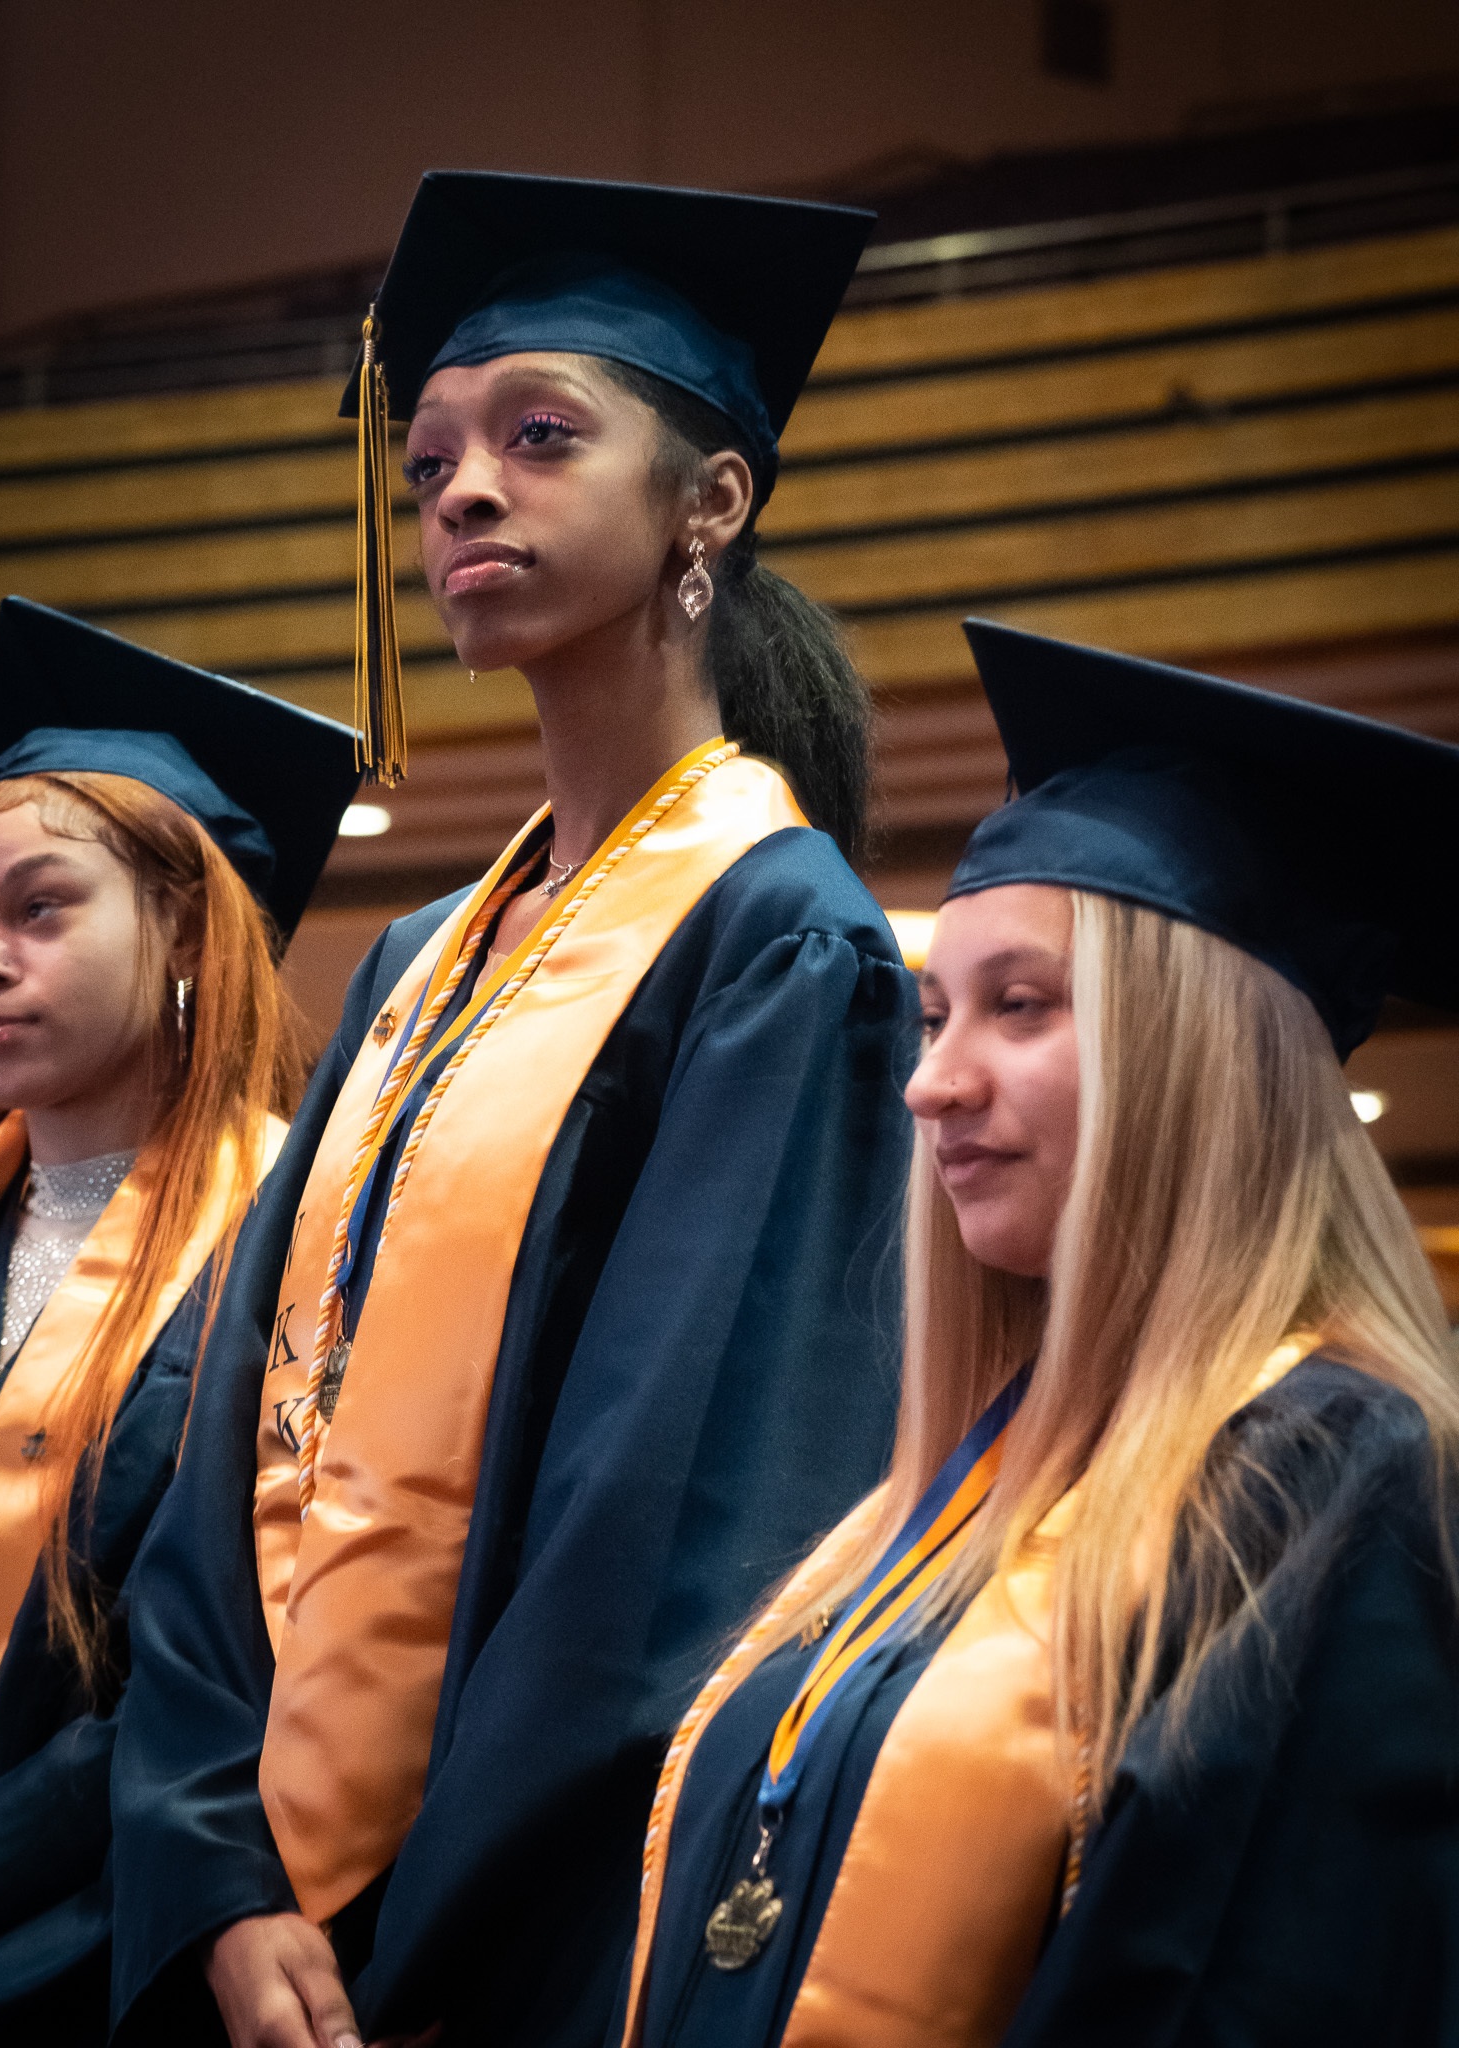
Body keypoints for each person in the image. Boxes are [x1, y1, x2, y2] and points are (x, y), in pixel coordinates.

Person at [109, 172, 919, 2048]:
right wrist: (213, 1869)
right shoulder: (423, 958)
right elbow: (244, 1425)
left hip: (494, 1939)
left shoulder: (779, 940)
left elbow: (680, 1517)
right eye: (430, 463)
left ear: (713, 500)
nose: (464, 491)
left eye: (541, 437)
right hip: (260, 1901)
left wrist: (426, 1932)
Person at [620, 618, 1459, 2048]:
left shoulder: (1329, 1473)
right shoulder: (958, 1482)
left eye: (1019, 1008)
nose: (930, 1084)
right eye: (935, 1015)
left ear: (1193, 1053)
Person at [0, 597, 358, 2045]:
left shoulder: (301, 1249)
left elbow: (268, 1651)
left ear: (180, 922)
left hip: (121, 1942)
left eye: (39, 909)